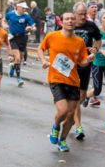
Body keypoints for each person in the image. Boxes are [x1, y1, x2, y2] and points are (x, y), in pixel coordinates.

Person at [39, 12, 93, 152]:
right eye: (67, 19)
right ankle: (56, 126)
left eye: (72, 19)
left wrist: (89, 59)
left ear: (75, 23)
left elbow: (81, 63)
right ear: (61, 22)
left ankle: (62, 140)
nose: (70, 21)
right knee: (62, 111)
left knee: (70, 115)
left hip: (74, 81)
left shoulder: (79, 41)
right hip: (56, 79)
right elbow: (40, 48)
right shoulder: (52, 36)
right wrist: (44, 60)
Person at [71, 1, 102, 140]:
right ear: (74, 14)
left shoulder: (90, 25)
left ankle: (72, 115)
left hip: (85, 64)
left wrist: (95, 48)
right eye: (80, 14)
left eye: (85, 14)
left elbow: (99, 39)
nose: (83, 17)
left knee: (82, 96)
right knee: (75, 96)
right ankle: (78, 126)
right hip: (70, 66)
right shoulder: (68, 25)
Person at [5, 1, 36, 86]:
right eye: (23, 8)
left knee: (20, 59)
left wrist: (31, 28)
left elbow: (34, 27)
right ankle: (19, 78)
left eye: (25, 8)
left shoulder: (26, 16)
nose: (24, 9)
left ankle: (12, 66)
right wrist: (4, 25)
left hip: (23, 38)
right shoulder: (10, 14)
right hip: (13, 38)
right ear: (18, 7)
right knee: (17, 58)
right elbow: (4, 21)